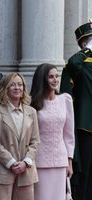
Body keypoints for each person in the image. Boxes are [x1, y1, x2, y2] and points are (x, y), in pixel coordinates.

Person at [0, 72, 40, 200]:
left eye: (20, 84)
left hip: (25, 172)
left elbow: (35, 141)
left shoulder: (31, 112)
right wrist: (11, 163)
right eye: (12, 85)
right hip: (1, 171)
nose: (17, 88)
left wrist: (26, 162)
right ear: (6, 88)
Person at [30, 63, 75, 200]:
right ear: (42, 79)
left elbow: (69, 135)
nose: (55, 80)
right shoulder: (32, 102)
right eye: (51, 77)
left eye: (57, 76)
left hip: (61, 162)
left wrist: (69, 162)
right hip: (40, 161)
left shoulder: (65, 99)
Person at [60, 21, 92, 200]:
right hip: (86, 126)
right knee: (85, 172)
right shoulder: (80, 62)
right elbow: (72, 64)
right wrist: (87, 49)